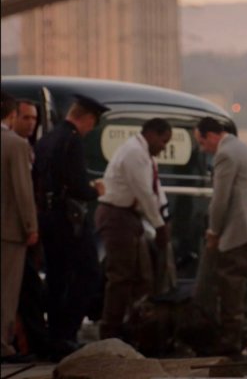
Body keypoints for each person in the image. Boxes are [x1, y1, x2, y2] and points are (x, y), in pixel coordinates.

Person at [193, 116, 247, 356]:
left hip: (239, 234)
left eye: (201, 143)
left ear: (210, 135)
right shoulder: (245, 148)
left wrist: (213, 231)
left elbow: (219, 200)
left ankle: (230, 344)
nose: (204, 149)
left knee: (231, 289)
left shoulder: (225, 154)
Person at [32, 94, 107, 360]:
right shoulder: (72, 140)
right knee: (88, 272)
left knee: (57, 277)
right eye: (92, 124)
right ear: (86, 118)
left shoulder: (47, 139)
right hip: (68, 220)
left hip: (48, 218)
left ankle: (54, 336)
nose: (89, 130)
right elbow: (76, 184)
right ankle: (66, 333)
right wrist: (94, 190)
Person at [95, 118, 172, 341]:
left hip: (130, 217)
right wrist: (159, 226)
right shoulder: (134, 154)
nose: (164, 146)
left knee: (142, 276)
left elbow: (156, 192)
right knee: (120, 276)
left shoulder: (146, 155)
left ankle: (135, 327)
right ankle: (110, 331)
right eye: (163, 140)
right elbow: (144, 193)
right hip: (117, 216)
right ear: (151, 134)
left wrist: (163, 218)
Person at [1, 92, 39, 360]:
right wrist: (31, 226)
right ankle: (2, 344)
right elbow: (23, 191)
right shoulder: (15, 145)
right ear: (12, 115)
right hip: (9, 230)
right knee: (6, 291)